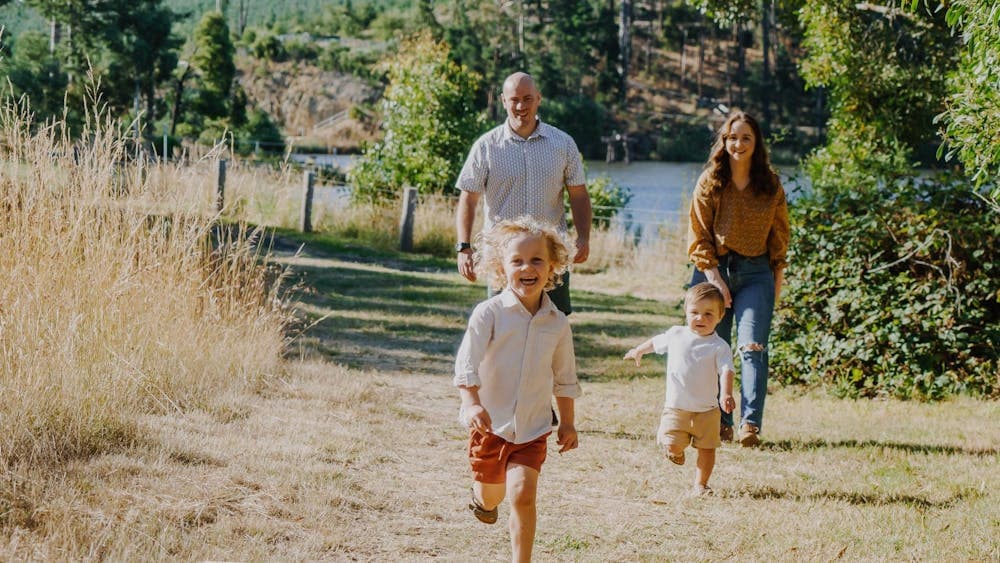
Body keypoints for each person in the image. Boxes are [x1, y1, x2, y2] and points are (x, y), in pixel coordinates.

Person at [453, 217, 581, 563]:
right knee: (492, 497)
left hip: (533, 428)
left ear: (552, 266)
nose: (528, 267)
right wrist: (472, 403)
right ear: (501, 267)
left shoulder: (557, 322)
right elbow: (466, 364)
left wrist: (567, 422)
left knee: (523, 495)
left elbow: (565, 376)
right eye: (517, 261)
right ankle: (482, 500)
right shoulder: (489, 314)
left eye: (537, 259)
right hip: (489, 426)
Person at [687, 111, 790, 447]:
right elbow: (699, 234)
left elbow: (779, 236)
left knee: (752, 347)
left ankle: (750, 425)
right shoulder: (711, 181)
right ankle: (719, 422)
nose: (739, 144)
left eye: (746, 137)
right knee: (714, 348)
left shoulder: (770, 184)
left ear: (756, 142)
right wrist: (714, 277)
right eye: (733, 137)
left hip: (757, 272)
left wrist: (776, 280)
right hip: (713, 268)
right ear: (724, 141)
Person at [455, 71, 592, 316]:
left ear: (538, 99)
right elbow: (469, 197)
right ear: (503, 101)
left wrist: (583, 237)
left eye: (527, 98)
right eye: (514, 99)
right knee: (502, 328)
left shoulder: (563, 144)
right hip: (503, 258)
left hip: (550, 257)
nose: (521, 106)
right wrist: (464, 247)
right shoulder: (486, 146)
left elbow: (579, 195)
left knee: (553, 325)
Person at [623, 282, 736, 496]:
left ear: (720, 317)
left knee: (707, 449)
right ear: (686, 312)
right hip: (676, 408)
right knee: (672, 444)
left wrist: (727, 393)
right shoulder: (676, 335)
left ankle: (701, 485)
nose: (700, 318)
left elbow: (727, 370)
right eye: (694, 312)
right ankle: (674, 451)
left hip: (707, 410)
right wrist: (639, 350)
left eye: (708, 314)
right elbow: (656, 343)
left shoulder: (719, 346)